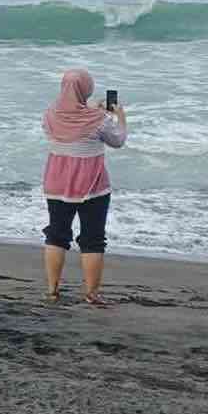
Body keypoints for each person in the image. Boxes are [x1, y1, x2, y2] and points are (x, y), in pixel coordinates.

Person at [41, 69, 127, 306]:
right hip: (93, 187)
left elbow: (67, 125)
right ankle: (91, 294)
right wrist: (120, 116)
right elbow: (118, 140)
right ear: (86, 89)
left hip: (56, 184)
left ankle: (52, 291)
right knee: (93, 239)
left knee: (56, 235)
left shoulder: (49, 115)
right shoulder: (98, 120)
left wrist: (91, 109)